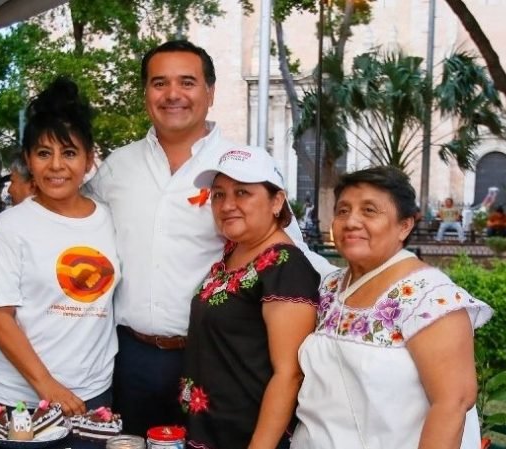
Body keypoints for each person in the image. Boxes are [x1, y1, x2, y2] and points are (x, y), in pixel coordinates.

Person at [87, 39, 335, 436]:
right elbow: (77, 230)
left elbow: (291, 256)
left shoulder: (242, 167)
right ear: (145, 92)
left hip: (213, 359)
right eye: (159, 83)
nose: (172, 95)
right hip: (127, 355)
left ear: (211, 92)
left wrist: (374, 284)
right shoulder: (117, 167)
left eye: (187, 82)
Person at [290, 166, 493, 449]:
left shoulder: (430, 296)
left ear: (405, 225)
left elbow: (453, 402)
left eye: (369, 211)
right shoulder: (330, 287)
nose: (351, 222)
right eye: (343, 211)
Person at [0, 78, 119, 449]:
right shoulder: (11, 225)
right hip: (20, 400)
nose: (56, 166)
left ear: (90, 159)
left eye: (69, 153)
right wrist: (48, 386)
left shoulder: (109, 219)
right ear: (28, 160)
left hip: (92, 394)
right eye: (44, 154)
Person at [182, 148, 320, 449]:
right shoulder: (235, 251)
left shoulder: (286, 267)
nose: (227, 204)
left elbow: (289, 374)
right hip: (210, 429)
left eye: (242, 192)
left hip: (249, 437)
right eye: (218, 195)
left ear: (277, 201)